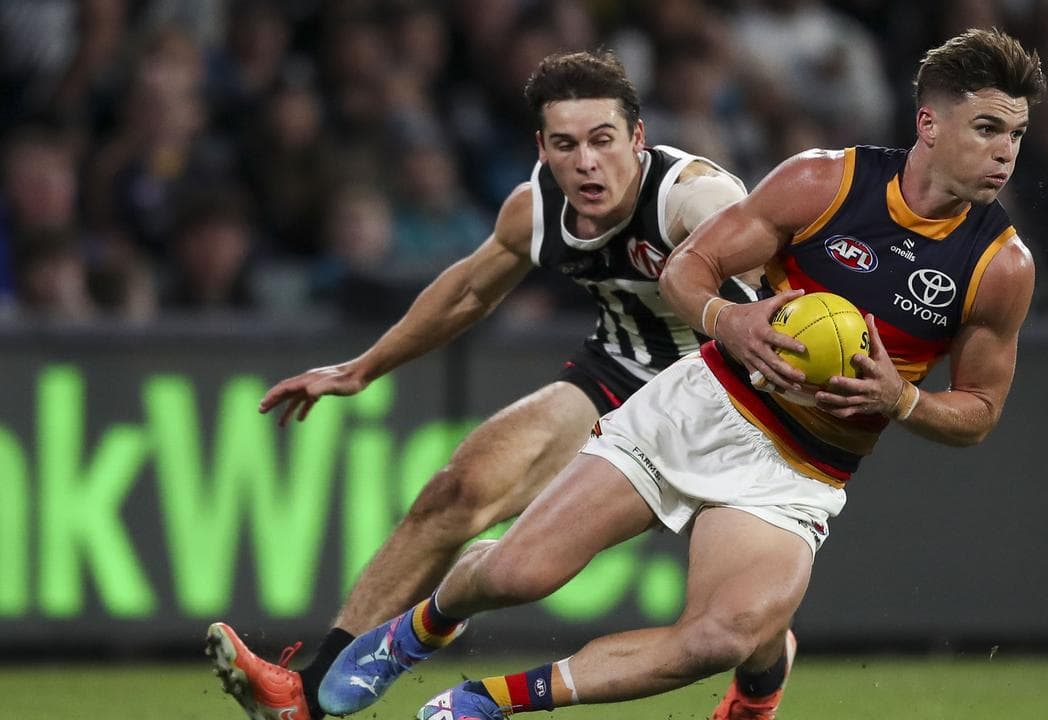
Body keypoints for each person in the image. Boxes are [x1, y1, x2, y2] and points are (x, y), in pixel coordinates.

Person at [320, 28, 1044, 720]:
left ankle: (485, 702)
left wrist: (904, 398)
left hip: (804, 467)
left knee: (719, 637)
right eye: (987, 129)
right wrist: (732, 321)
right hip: (702, 402)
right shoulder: (826, 180)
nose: (1005, 152)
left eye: (1015, 134)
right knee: (518, 575)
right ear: (929, 123)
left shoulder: (1000, 266)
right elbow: (690, 268)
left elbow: (978, 413)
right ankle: (415, 630)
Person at [205, 50, 756, 720]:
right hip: (622, 369)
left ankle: (758, 689)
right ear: (542, 148)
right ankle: (308, 698)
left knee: (736, 617)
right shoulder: (538, 206)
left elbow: (788, 275)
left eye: (603, 141)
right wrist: (361, 368)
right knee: (457, 492)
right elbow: (468, 291)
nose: (586, 162)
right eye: (566, 144)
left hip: (732, 395)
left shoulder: (696, 199)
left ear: (637, 138)